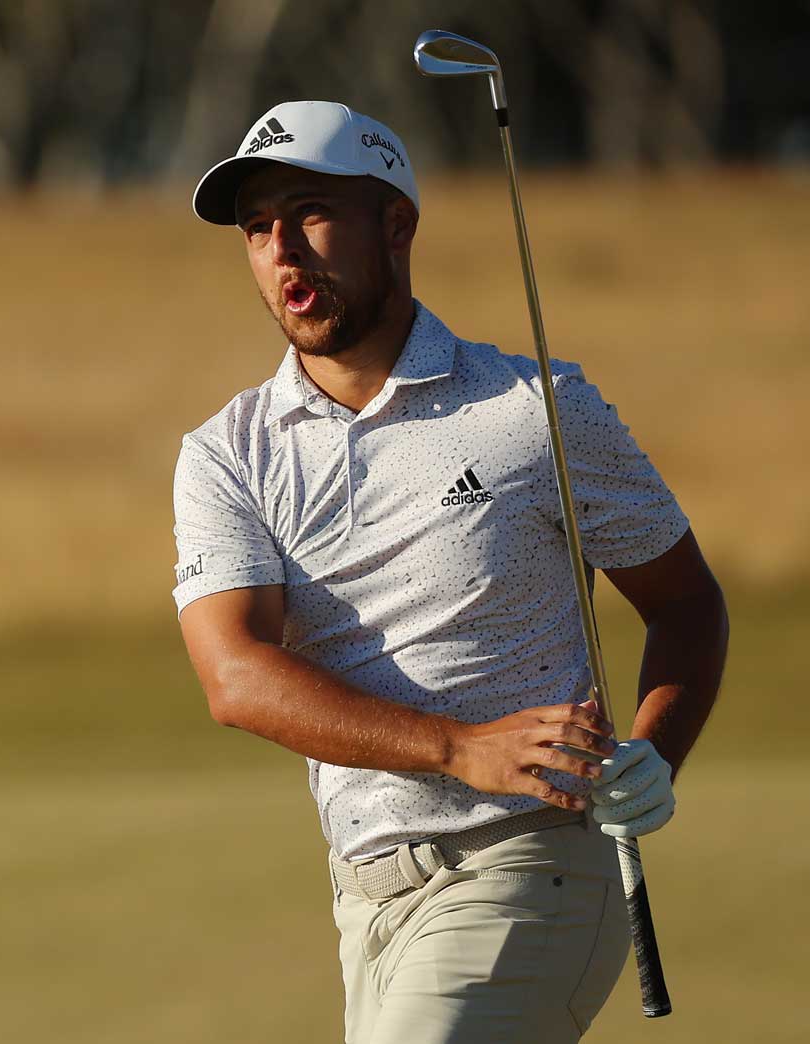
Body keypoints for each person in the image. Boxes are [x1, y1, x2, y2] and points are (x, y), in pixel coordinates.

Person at [172, 101, 730, 1043]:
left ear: (397, 224)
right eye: (257, 229)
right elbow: (236, 676)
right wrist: (456, 746)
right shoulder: (227, 453)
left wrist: (655, 755)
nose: (282, 252)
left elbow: (684, 601)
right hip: (368, 903)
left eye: (311, 214)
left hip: (536, 864)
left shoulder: (532, 407)